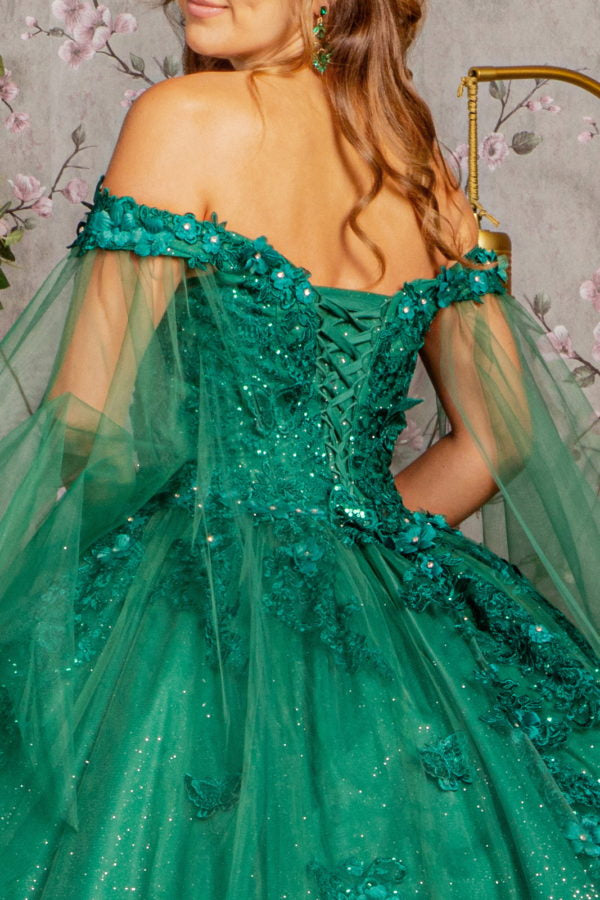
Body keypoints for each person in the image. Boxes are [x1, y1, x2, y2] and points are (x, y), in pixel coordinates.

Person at [1, 0, 599, 896]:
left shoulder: (182, 118)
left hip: (193, 597)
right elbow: (500, 437)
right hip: (392, 625)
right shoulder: (416, 164)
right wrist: (353, 547)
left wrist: (72, 576)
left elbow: (85, 423)